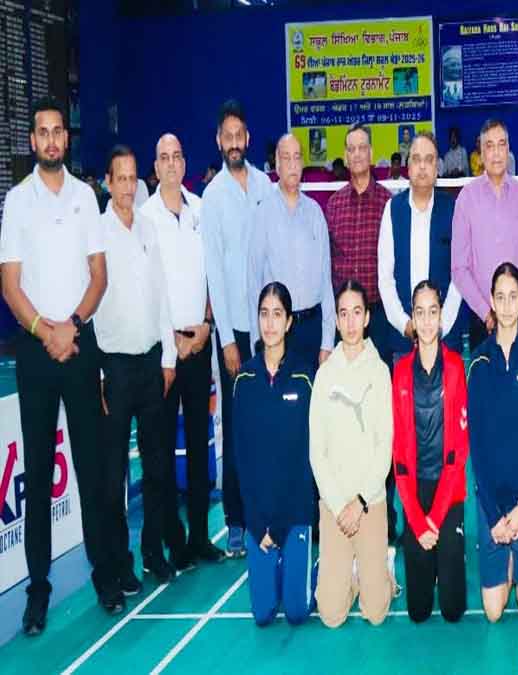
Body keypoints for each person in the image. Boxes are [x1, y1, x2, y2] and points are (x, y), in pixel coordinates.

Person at [1, 98, 107, 635]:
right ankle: (38, 590)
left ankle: (104, 574)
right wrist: (48, 332)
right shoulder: (17, 202)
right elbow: (10, 285)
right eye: (41, 132)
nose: (50, 140)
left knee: (92, 467)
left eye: (57, 131)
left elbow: (99, 276)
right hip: (38, 353)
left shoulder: (87, 197)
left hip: (79, 346)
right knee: (39, 473)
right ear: (33, 141)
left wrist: (74, 326)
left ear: (67, 138)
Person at [92, 145, 175, 602]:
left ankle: (152, 552)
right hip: (115, 368)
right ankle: (118, 565)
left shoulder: (147, 228)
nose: (127, 187)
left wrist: (167, 358)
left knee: (158, 467)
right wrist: (99, 374)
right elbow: (89, 306)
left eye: (131, 178)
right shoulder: (97, 234)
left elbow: (161, 295)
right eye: (119, 179)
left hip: (150, 363)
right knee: (112, 477)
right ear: (108, 183)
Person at [201, 98, 275, 557]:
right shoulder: (212, 197)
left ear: (247, 138)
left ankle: (265, 511)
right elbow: (214, 269)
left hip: (268, 327)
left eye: (238, 135)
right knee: (235, 425)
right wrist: (226, 339)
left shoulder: (266, 185)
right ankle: (235, 519)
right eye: (226, 136)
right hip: (234, 333)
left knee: (266, 422)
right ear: (219, 141)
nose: (233, 142)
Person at [140, 132, 209, 580]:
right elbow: (149, 290)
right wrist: (173, 343)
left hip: (199, 343)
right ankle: (169, 541)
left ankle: (200, 537)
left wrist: (205, 326)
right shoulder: (144, 218)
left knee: (200, 447)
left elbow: (209, 275)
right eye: (162, 157)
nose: (170, 164)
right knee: (161, 452)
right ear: (156, 166)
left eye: (176, 156)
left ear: (184, 164)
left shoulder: (200, 210)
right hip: (164, 352)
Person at [309, 280, 395, 627]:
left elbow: (384, 446)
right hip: (334, 508)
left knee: (376, 613)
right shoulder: (324, 375)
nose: (349, 322)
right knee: (331, 615)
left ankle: (380, 568)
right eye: (343, 314)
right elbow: (317, 452)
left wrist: (359, 502)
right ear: (336, 319)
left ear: (367, 317)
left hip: (369, 503)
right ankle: (346, 571)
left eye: (356, 313)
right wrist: (337, 503)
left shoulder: (380, 371)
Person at [467, 262, 518, 623]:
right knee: (493, 612)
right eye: (499, 297)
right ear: (491, 300)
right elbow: (477, 445)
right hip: (492, 501)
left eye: (512, 296)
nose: (506, 305)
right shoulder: (479, 363)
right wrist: (493, 512)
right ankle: (508, 553)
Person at [233, 282, 317, 626]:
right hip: (259, 517)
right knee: (263, 614)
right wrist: (257, 524)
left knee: (296, 612)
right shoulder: (244, 380)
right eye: (264, 314)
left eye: (277, 314)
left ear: (289, 321)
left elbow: (305, 462)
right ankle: (279, 565)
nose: (270, 323)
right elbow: (242, 461)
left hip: (294, 512)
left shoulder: (304, 378)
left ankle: (322, 566)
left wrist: (280, 526)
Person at [393, 280, 469, 624]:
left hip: (448, 491)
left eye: (432, 312)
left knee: (453, 611)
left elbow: (458, 452)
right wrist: (415, 518)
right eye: (419, 313)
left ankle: (447, 554)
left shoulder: (455, 367)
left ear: (441, 317)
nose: (426, 321)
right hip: (415, 490)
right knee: (419, 612)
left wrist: (434, 521)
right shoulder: (400, 373)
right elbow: (399, 456)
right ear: (412, 316)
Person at [246, 134, 335, 369]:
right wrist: (257, 341)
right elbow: (253, 282)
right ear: (277, 165)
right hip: (277, 331)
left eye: (297, 157)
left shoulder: (315, 213)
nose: (293, 164)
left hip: (313, 330)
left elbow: (326, 281)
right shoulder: (263, 214)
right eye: (286, 158)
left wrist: (327, 341)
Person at [451, 119, 518, 349]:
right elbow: (459, 267)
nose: (496, 153)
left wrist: (515, 307)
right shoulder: (466, 199)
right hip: (483, 321)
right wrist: (486, 312)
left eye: (501, 144)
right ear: (481, 153)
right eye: (489, 146)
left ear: (508, 149)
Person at [379, 132, 465, 357]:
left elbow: (459, 276)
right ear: (408, 167)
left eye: (429, 160)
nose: (423, 166)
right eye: (416, 159)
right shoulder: (393, 210)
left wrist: (441, 325)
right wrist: (405, 324)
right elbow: (385, 278)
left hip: (445, 339)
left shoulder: (453, 210)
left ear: (437, 168)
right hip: (403, 341)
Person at [325, 123, 394, 367]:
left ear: (371, 153)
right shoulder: (334, 205)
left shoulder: (388, 203)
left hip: (378, 317)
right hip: (344, 318)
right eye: (351, 149)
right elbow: (328, 262)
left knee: (380, 381)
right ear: (345, 156)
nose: (356, 154)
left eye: (362, 148)